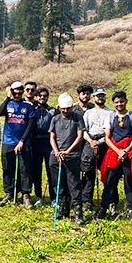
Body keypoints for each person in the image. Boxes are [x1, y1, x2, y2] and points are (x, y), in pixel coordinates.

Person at [95, 91, 132, 221]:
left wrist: (126, 150)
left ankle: (131, 210)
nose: (119, 104)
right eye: (116, 102)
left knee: (130, 182)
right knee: (110, 182)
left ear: (126, 101)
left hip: (130, 152)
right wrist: (118, 151)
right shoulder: (110, 117)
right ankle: (103, 209)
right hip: (114, 152)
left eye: (121, 101)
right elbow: (107, 137)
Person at [0, 81, 36, 208]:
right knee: (8, 168)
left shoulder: (28, 106)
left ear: (23, 91)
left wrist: (22, 141)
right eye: (15, 92)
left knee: (25, 169)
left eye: (20, 91)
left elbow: (31, 125)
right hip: (8, 142)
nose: (18, 94)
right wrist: (8, 97)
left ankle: (25, 194)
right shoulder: (8, 103)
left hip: (23, 142)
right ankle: (9, 193)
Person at [49, 93, 85, 224]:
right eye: (63, 108)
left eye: (68, 108)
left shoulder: (78, 118)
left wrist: (68, 151)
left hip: (73, 155)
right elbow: (52, 137)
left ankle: (78, 212)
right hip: (56, 156)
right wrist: (57, 151)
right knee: (59, 183)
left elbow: (80, 136)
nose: (65, 111)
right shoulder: (55, 119)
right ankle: (63, 208)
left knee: (73, 184)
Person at [81, 88, 114, 211]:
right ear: (93, 97)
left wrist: (99, 142)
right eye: (97, 96)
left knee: (108, 173)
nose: (100, 98)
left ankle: (110, 201)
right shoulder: (88, 113)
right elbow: (83, 130)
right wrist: (91, 141)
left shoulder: (111, 112)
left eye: (102, 96)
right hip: (90, 142)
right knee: (88, 173)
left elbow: (111, 132)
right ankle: (86, 201)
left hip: (106, 142)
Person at [32, 87, 57, 206]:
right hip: (36, 143)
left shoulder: (52, 111)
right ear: (36, 97)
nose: (42, 98)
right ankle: (38, 196)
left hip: (48, 143)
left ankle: (53, 198)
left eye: (45, 96)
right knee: (36, 171)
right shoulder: (32, 109)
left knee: (50, 171)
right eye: (40, 96)